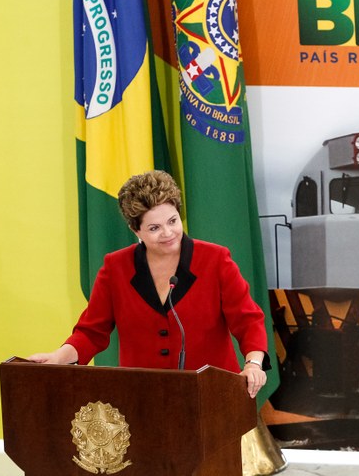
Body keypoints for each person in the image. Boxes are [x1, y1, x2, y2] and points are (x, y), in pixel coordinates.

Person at [29, 170, 269, 399]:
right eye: (154, 228)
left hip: (213, 395)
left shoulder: (215, 259)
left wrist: (253, 364)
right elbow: (91, 332)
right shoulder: (116, 268)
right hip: (140, 398)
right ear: (136, 230)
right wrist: (59, 357)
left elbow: (247, 320)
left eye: (173, 221)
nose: (168, 233)